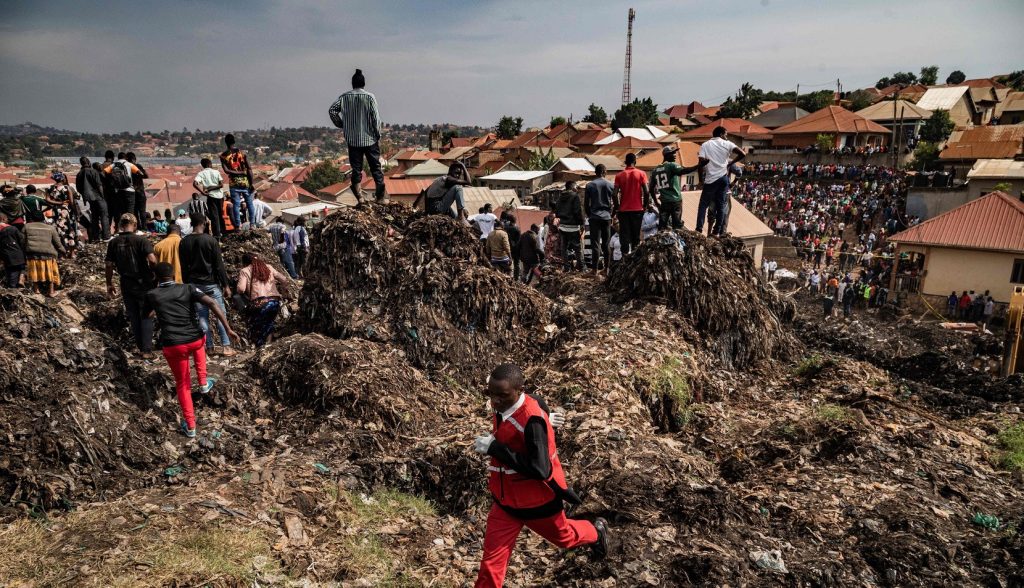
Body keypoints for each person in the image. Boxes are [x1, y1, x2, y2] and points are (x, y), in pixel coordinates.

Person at [473, 363, 608, 587]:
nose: (494, 401)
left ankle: (596, 531)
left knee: (565, 537)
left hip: (537, 503)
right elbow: (538, 403)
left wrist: (494, 448)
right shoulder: (508, 403)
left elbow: (541, 470)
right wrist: (547, 415)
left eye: (502, 395)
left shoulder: (532, 421)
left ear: (519, 391)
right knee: (490, 565)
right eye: (491, 394)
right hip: (505, 504)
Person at [145, 262, 237, 438]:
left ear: (155, 277)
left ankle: (191, 425)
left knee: (183, 384)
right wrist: (227, 328)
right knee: (200, 340)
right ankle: (203, 382)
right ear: (174, 275)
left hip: (174, 344)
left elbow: (147, 315)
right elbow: (211, 302)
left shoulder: (152, 295)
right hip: (195, 339)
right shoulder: (188, 288)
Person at [180, 214, 235, 357]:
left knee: (201, 317)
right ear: (204, 223)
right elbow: (219, 265)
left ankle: (209, 347)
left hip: (194, 285)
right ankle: (226, 347)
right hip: (211, 284)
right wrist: (226, 285)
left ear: (192, 223)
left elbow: (183, 267)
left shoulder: (184, 242)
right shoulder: (210, 240)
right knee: (220, 315)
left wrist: (187, 286)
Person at [328, 68, 386, 203]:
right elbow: (376, 119)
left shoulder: (344, 97)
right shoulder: (369, 97)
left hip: (353, 140)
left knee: (356, 170)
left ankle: (360, 197)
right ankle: (380, 197)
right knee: (376, 168)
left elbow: (332, 111)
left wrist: (342, 124)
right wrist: (378, 134)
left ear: (352, 84)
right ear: (364, 83)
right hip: (370, 139)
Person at [106, 214, 157, 358]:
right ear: (134, 225)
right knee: (147, 314)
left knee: (134, 315)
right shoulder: (141, 240)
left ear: (121, 225)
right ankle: (147, 351)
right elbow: (152, 260)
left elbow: (109, 265)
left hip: (126, 283)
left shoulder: (113, 242)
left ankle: (141, 347)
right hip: (143, 282)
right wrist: (155, 274)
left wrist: (109, 283)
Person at [695, 126, 745, 236]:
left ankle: (699, 229)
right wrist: (730, 163)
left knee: (703, 205)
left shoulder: (705, 145)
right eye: (726, 135)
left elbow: (701, 164)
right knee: (721, 206)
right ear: (721, 134)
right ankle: (716, 231)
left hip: (710, 180)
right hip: (723, 179)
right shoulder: (728, 144)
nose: (726, 137)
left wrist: (700, 181)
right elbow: (742, 154)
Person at [236, 253, 291, 346]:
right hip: (274, 302)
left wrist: (238, 290)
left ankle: (260, 345)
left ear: (245, 262)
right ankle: (268, 343)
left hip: (259, 304)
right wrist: (284, 292)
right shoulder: (268, 267)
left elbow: (241, 289)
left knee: (257, 326)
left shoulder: (245, 270)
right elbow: (284, 280)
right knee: (269, 322)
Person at [650, 145, 697, 230]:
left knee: (662, 227)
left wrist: (656, 202)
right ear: (667, 155)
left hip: (664, 202)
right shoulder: (671, 165)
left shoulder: (655, 170)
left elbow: (651, 188)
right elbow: (684, 171)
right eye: (673, 153)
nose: (675, 155)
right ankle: (677, 242)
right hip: (675, 201)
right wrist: (698, 166)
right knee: (677, 226)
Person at [612, 153, 648, 256]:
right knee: (636, 237)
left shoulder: (619, 175)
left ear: (625, 163)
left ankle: (624, 260)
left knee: (624, 237)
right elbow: (646, 192)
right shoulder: (641, 174)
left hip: (624, 211)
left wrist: (617, 208)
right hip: (637, 210)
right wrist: (644, 206)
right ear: (635, 162)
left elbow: (614, 194)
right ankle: (634, 260)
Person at [220, 134, 256, 229]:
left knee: (236, 205)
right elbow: (249, 169)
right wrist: (251, 183)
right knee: (249, 204)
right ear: (234, 141)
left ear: (226, 142)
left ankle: (238, 225)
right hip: (245, 183)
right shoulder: (242, 153)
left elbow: (226, 171)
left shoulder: (223, 156)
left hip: (234, 183)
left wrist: (236, 172)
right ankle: (252, 224)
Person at [23, 218, 65, 296]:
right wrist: (63, 251)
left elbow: (22, 240)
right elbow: (57, 243)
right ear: (43, 219)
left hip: (32, 254)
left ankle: (36, 290)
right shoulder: (51, 228)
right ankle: (51, 291)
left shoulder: (26, 226)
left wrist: (24, 250)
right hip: (48, 255)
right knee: (50, 273)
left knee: (34, 272)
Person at [584, 163, 614, 273]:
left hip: (594, 217)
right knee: (606, 244)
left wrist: (590, 214)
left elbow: (586, 204)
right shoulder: (610, 185)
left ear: (596, 173)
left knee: (595, 244)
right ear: (604, 172)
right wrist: (612, 214)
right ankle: (607, 269)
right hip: (606, 217)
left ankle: (594, 270)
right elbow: (616, 202)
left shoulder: (590, 185)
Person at [103, 153, 143, 230]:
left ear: (118, 157)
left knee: (120, 212)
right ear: (126, 158)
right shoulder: (129, 164)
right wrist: (135, 185)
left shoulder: (114, 165)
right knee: (130, 211)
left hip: (118, 191)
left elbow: (105, 172)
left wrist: (114, 181)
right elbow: (140, 173)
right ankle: (131, 229)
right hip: (129, 190)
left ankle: (121, 229)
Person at [45, 171, 80, 258]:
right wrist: (75, 212)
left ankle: (62, 254)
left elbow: (47, 200)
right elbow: (71, 202)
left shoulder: (50, 188)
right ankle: (72, 253)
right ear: (62, 178)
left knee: (59, 232)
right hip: (66, 212)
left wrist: (57, 203)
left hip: (56, 212)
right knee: (70, 231)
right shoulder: (67, 188)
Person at [76, 156, 108, 241]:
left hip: (88, 199)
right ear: (89, 162)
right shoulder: (93, 171)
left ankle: (96, 237)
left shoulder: (79, 174)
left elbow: (78, 188)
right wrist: (103, 196)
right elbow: (99, 185)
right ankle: (106, 236)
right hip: (97, 196)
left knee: (94, 217)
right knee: (104, 215)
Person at [193, 158, 226, 238]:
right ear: (210, 164)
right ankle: (224, 233)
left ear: (203, 165)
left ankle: (217, 235)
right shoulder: (216, 172)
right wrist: (213, 187)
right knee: (220, 215)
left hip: (211, 196)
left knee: (214, 216)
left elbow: (194, 183)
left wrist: (203, 191)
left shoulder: (201, 173)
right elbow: (221, 185)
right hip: (220, 196)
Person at [555, 182, 584, 271]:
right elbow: (577, 212)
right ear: (572, 187)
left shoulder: (560, 197)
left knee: (564, 248)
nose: (577, 189)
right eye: (576, 187)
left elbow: (557, 212)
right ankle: (580, 266)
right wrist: (581, 223)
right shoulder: (575, 196)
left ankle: (566, 267)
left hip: (563, 226)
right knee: (577, 248)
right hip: (573, 227)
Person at [0, 212, 26, 288]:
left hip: (4, 255)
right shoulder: (12, 228)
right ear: (3, 219)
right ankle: (14, 289)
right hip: (17, 254)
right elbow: (22, 240)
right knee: (16, 272)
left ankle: (13, 286)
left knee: (10, 272)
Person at [125, 152, 149, 226]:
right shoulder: (137, 166)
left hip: (131, 193)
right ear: (134, 159)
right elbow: (146, 175)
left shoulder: (126, 168)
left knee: (134, 212)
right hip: (140, 192)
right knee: (142, 211)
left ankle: (137, 227)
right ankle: (144, 227)